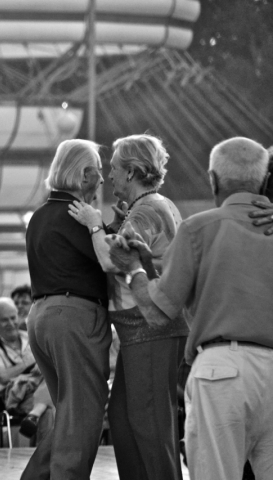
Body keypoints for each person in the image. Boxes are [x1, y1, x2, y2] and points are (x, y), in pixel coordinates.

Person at [105, 137, 273, 480]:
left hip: (221, 369)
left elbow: (158, 311)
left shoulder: (199, 228)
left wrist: (134, 268)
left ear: (212, 179)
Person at [67, 134, 189, 479]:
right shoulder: (149, 206)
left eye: (115, 168)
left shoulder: (148, 208)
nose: (110, 176)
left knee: (149, 426)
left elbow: (113, 260)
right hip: (143, 330)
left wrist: (93, 222)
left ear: (132, 173)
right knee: (123, 419)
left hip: (150, 327)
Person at [23, 139, 111, 480]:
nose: (103, 180)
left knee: (71, 413)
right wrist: (101, 225)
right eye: (98, 172)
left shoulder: (41, 215)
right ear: (84, 174)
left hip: (41, 317)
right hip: (74, 317)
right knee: (84, 415)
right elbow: (111, 257)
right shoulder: (77, 215)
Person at [0, 298, 53, 444]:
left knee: (59, 385)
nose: (11, 324)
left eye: (13, 318)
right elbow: (3, 376)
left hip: (40, 387)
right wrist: (32, 361)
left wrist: (44, 364)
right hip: (16, 397)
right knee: (51, 409)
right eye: (4, 320)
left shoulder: (32, 337)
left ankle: (36, 413)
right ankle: (46, 458)